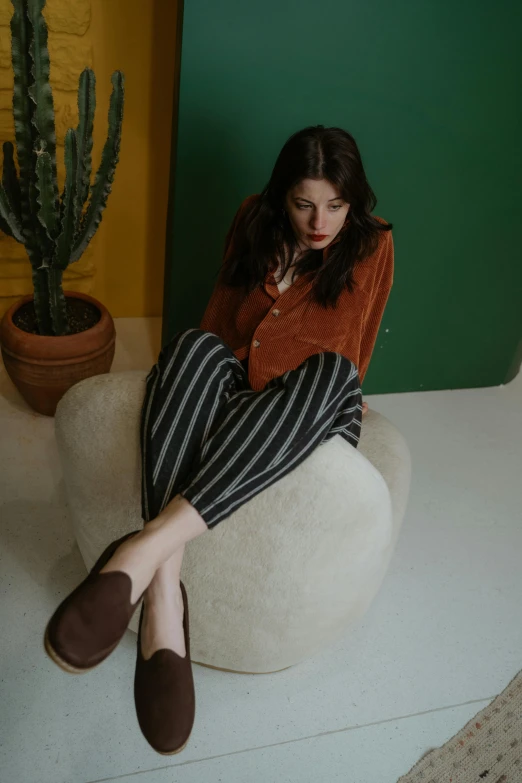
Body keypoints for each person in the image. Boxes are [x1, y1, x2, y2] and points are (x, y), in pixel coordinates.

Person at [43, 125, 394, 756]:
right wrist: (196, 373)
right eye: (304, 204)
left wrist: (348, 394)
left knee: (335, 373)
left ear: (353, 202)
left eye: (336, 206)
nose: (321, 223)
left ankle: (141, 554)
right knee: (192, 345)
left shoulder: (373, 244)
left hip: (307, 402)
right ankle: (163, 595)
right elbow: (217, 316)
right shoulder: (253, 220)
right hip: (239, 388)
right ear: (282, 195)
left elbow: (358, 341)